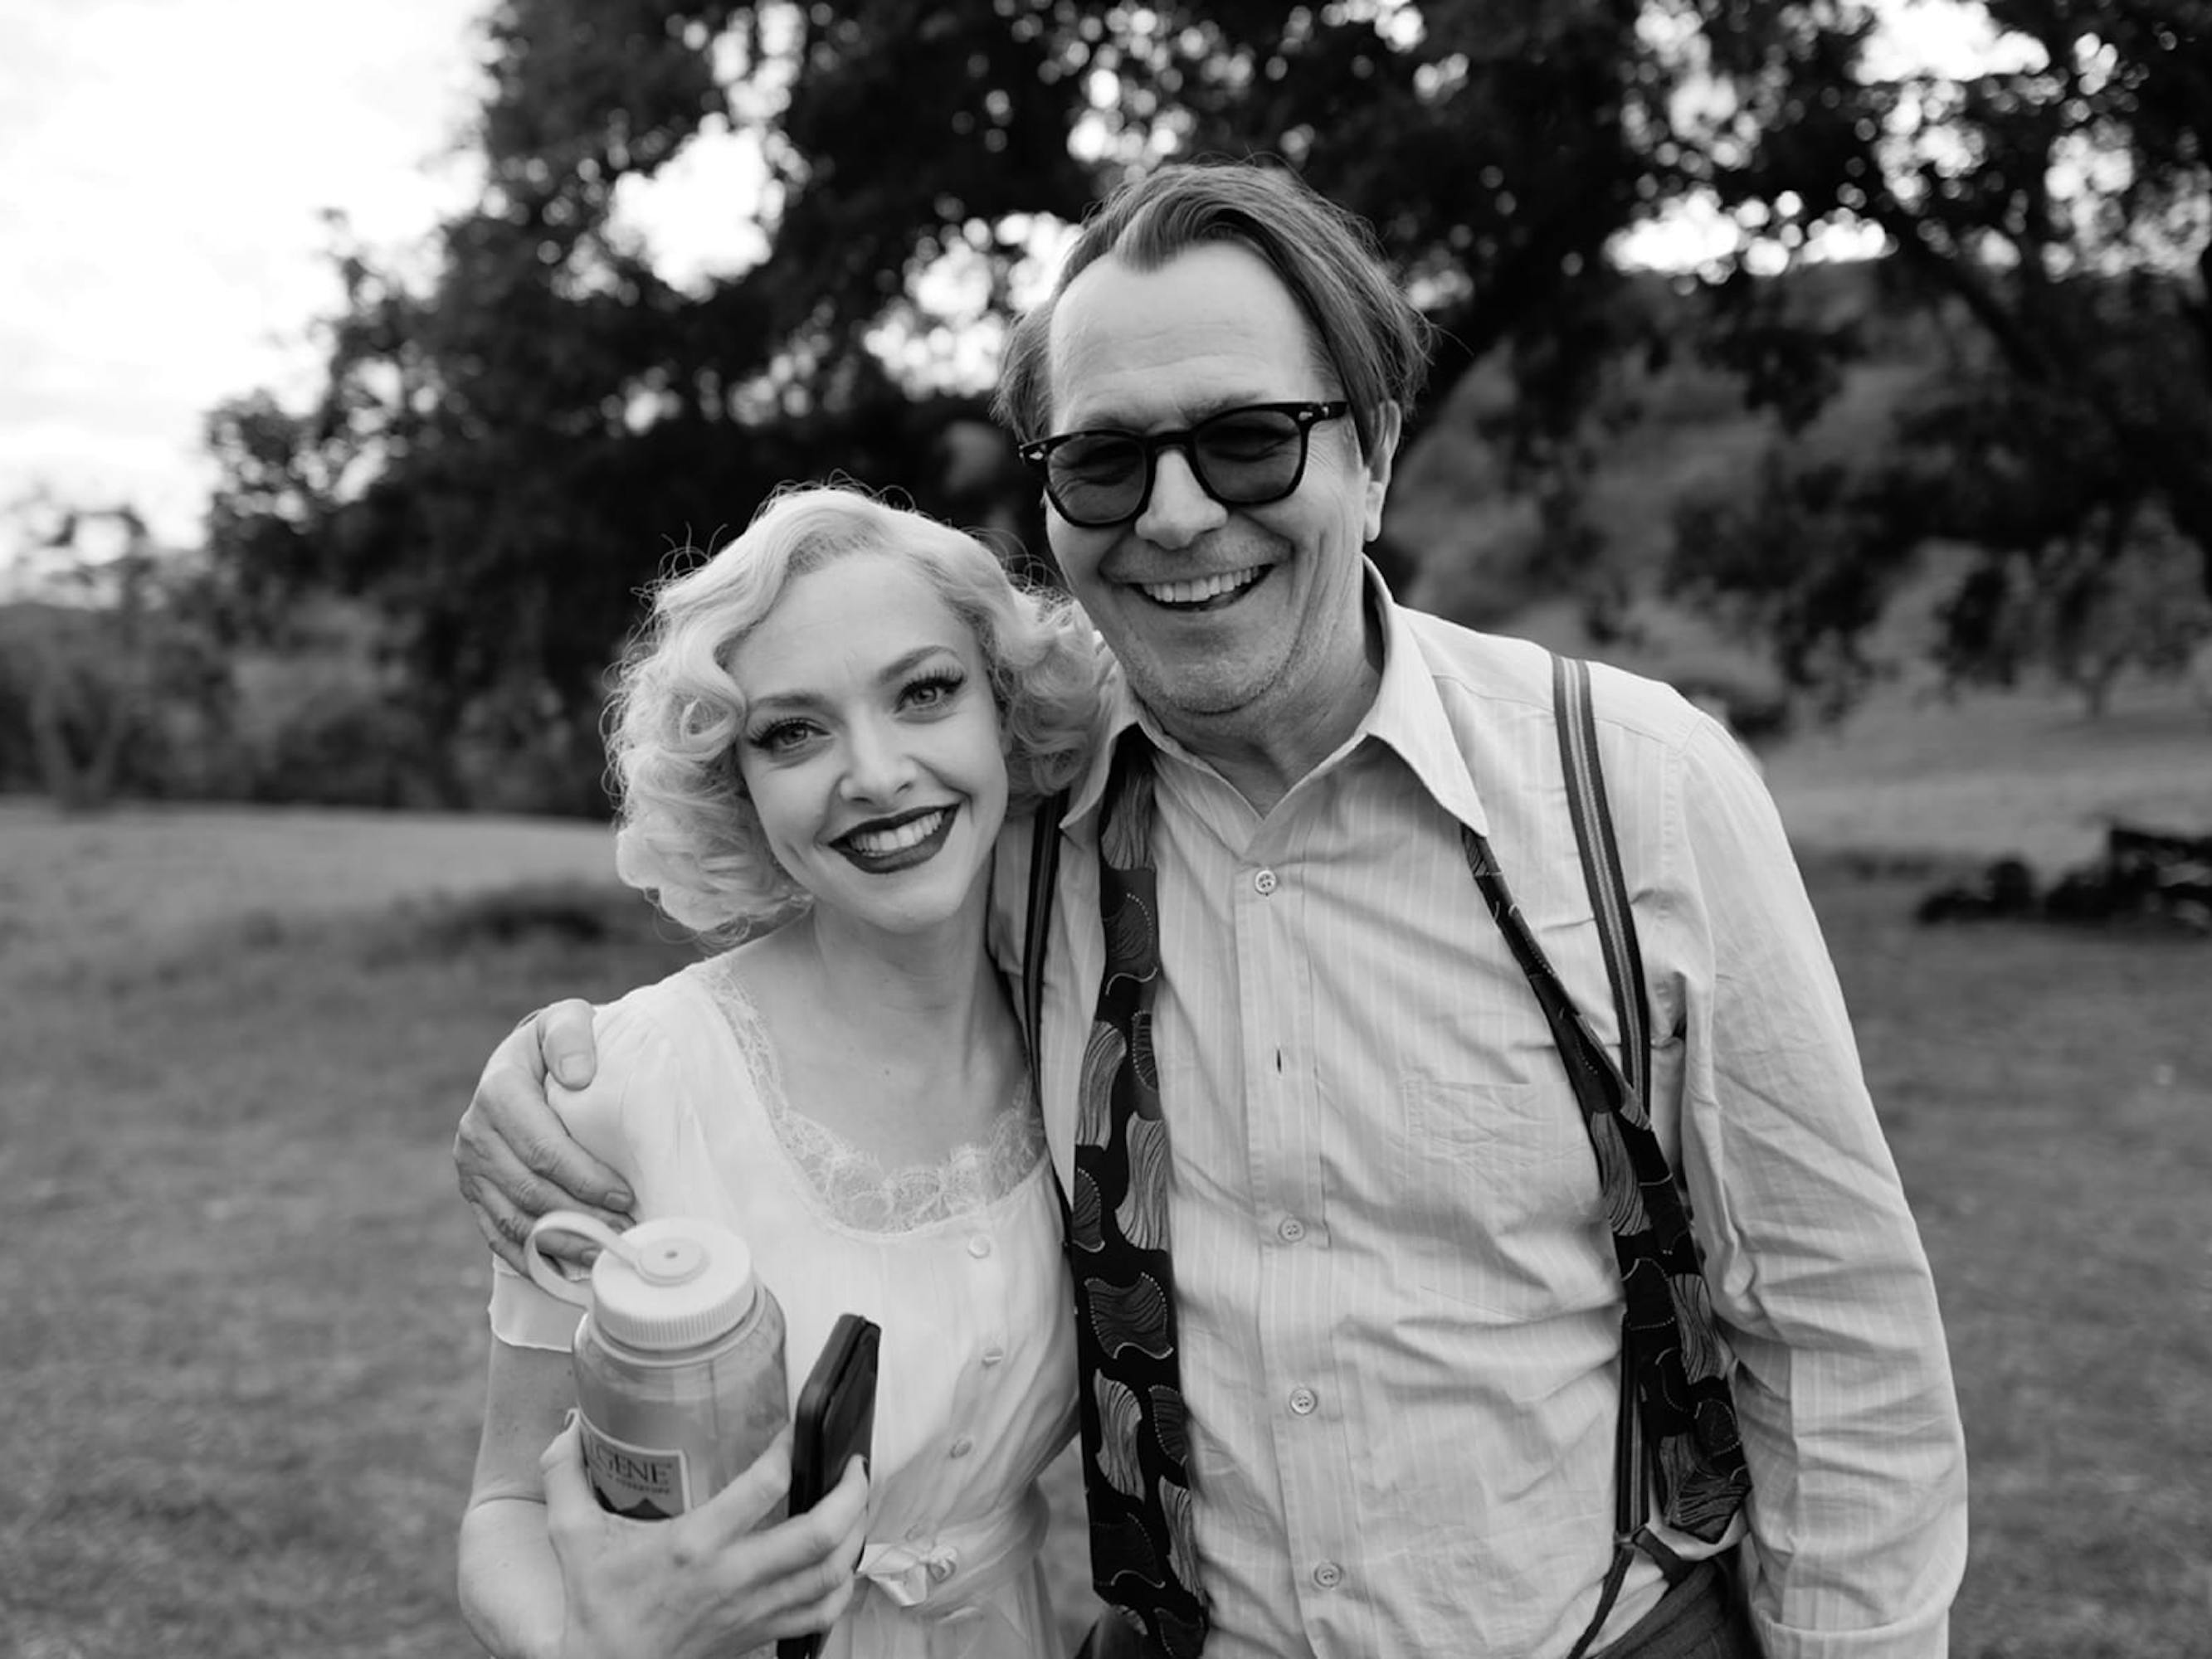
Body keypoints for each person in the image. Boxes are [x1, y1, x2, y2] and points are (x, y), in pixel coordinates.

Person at [459, 161, 1969, 1658]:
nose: (1176, 517)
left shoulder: (1632, 784)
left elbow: (1834, 1326)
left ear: (1371, 453)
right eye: (1105, 463)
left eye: (1248, 441)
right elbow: (817, 955)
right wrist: (549, 1080)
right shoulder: (1028, 820)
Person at [456, 484, 1104, 1658]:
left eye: (924, 692)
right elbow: (505, 1511)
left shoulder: (1089, 1031)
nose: (875, 772)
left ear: (1002, 710)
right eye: (793, 731)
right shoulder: (620, 1087)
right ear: (736, 786)